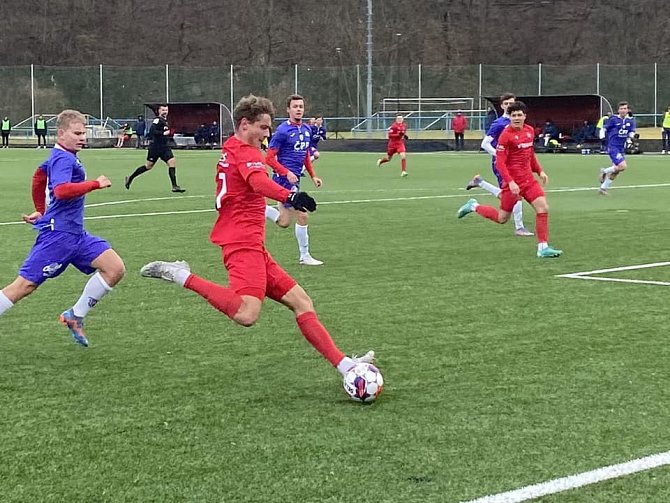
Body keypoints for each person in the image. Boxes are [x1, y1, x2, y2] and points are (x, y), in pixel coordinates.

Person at [139, 94, 375, 383]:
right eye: (263, 127)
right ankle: (180, 275)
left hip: (252, 243)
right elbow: (257, 181)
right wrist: (289, 195)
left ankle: (345, 366)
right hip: (241, 243)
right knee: (246, 314)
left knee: (302, 302)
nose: (267, 133)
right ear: (244, 124)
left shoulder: (232, 147)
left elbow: (254, 178)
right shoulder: (248, 153)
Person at [0, 109, 126, 346]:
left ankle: (75, 316)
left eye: (84, 133)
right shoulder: (64, 158)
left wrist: (40, 208)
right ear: (61, 133)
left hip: (77, 235)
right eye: (77, 133)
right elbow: (61, 190)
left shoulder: (62, 156)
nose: (82, 137)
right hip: (57, 237)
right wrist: (94, 184)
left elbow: (39, 176)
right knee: (23, 286)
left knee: (114, 268)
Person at [457, 101, 562, 259]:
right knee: (502, 218)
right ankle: (474, 206)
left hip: (529, 181)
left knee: (543, 208)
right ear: (510, 117)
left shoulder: (529, 131)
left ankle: (543, 247)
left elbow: (530, 155)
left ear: (525, 116)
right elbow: (499, 162)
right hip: (512, 183)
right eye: (514, 115)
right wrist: (511, 182)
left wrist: (539, 171)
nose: (517, 118)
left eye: (520, 115)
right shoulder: (506, 135)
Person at [264, 94, 323, 266]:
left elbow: (305, 155)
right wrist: (286, 172)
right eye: (295, 106)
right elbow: (269, 158)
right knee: (302, 214)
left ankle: (259, 208)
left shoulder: (307, 129)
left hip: (295, 180)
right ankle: (304, 256)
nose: (298, 109)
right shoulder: (282, 131)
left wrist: (313, 176)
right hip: (283, 181)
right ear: (288, 109)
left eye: (301, 106)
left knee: (284, 222)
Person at [465, 92, 533, 237]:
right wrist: (499, 155)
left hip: (516, 165)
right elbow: (485, 144)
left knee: (509, 195)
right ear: (502, 106)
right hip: (502, 165)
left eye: (512, 103)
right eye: (506, 104)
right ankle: (519, 227)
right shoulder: (498, 124)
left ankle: (480, 184)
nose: (509, 106)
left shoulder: (519, 122)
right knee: (515, 194)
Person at [124, 104, 185, 193]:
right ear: (159, 111)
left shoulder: (165, 121)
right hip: (155, 147)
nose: (165, 112)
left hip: (164, 147)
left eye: (166, 110)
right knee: (148, 166)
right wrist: (163, 133)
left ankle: (175, 186)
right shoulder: (157, 120)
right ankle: (130, 178)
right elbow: (152, 131)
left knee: (172, 162)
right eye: (163, 110)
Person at [598, 101, 636, 195]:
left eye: (625, 108)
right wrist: (602, 137)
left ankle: (603, 189)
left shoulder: (630, 121)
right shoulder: (613, 119)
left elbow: (631, 132)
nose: (623, 110)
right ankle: (604, 171)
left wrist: (631, 138)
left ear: (628, 110)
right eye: (621, 109)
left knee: (617, 170)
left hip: (621, 148)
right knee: (623, 166)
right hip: (613, 146)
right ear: (618, 110)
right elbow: (604, 128)